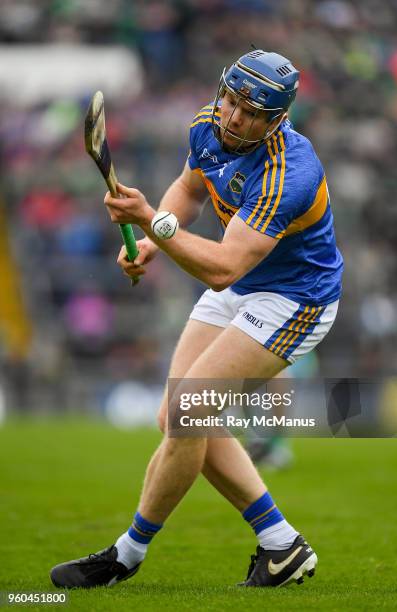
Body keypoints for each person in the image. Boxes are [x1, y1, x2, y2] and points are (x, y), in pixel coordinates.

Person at [50, 49, 343, 589]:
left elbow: (223, 269)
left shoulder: (290, 171)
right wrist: (149, 242)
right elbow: (188, 191)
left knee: (190, 409)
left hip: (294, 299)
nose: (234, 117)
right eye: (230, 100)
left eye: (251, 112)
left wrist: (148, 221)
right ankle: (282, 546)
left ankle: (126, 555)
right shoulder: (208, 125)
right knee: (178, 418)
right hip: (243, 284)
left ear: (277, 119)